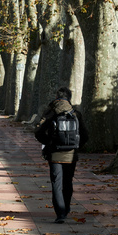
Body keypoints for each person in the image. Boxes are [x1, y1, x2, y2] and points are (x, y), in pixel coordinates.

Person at [34, 87, 88, 224]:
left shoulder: (51, 112)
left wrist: (49, 143)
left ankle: (60, 213)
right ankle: (67, 207)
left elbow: (38, 132)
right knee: (68, 182)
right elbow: (85, 135)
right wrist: (76, 147)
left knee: (56, 183)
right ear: (69, 98)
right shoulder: (76, 113)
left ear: (57, 97)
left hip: (55, 154)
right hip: (71, 155)